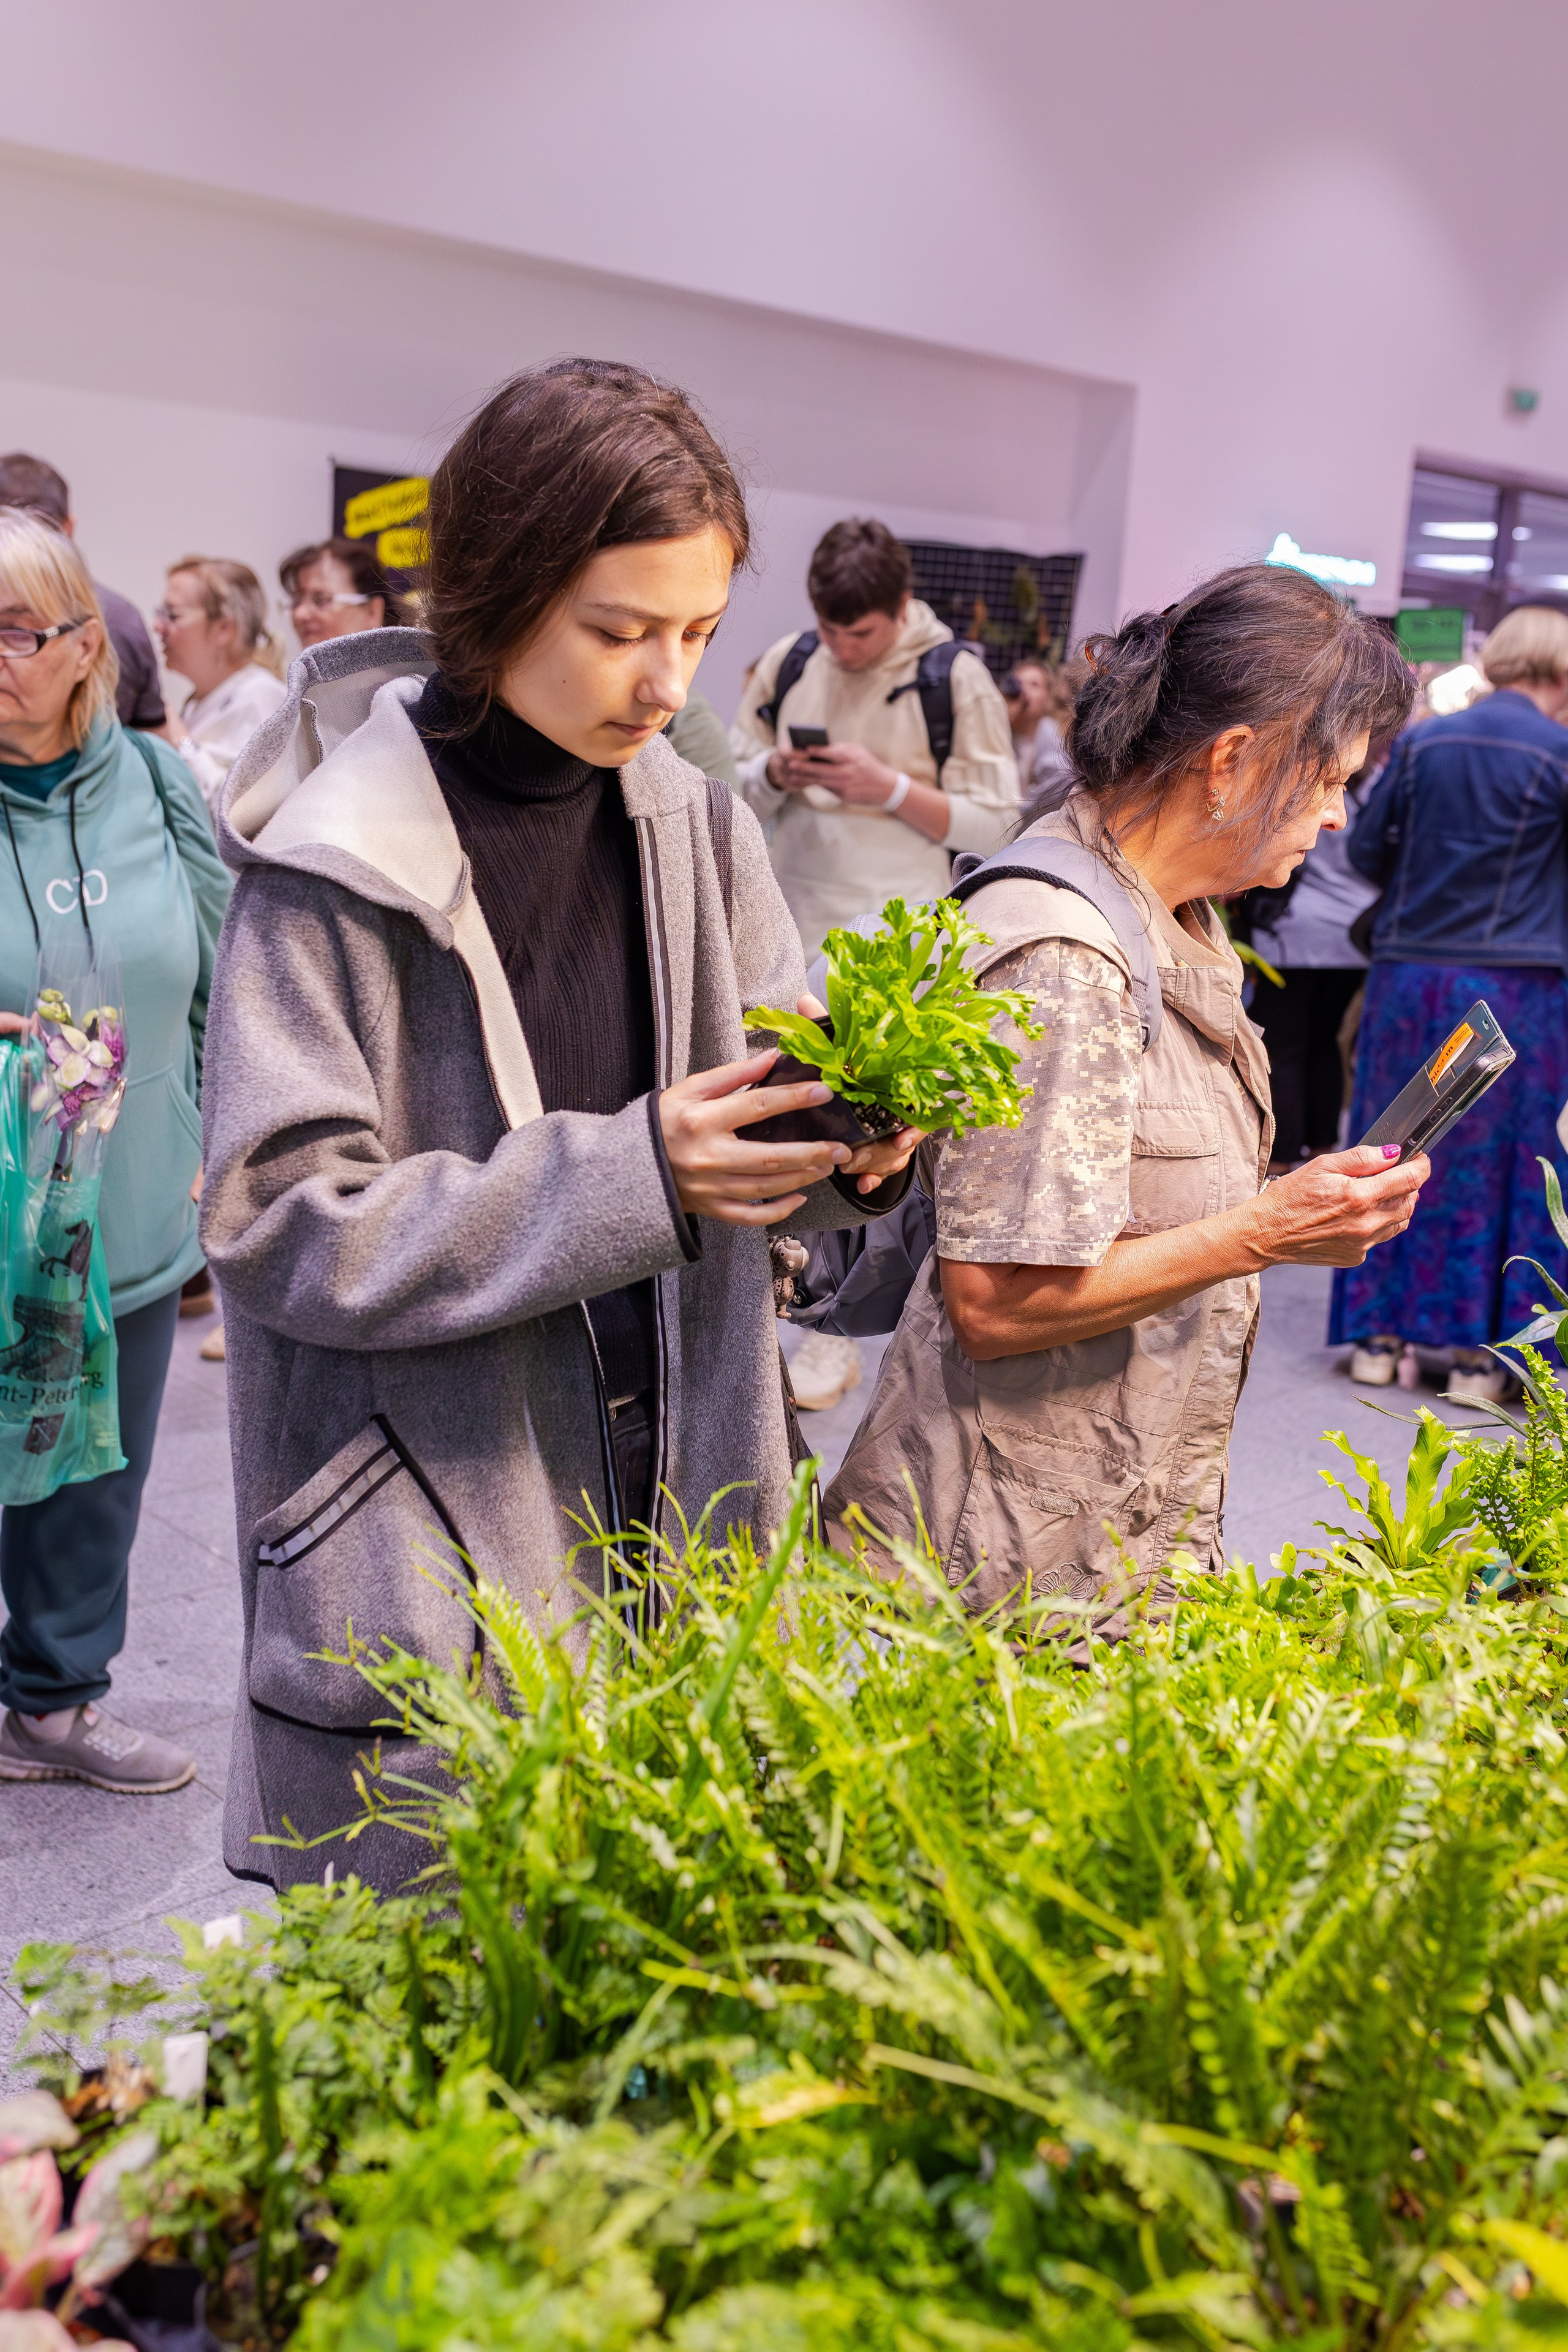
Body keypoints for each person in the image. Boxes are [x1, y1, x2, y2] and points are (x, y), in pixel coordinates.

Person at [198, 358, 918, 1891]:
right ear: (498, 590)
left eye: (699, 634)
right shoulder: (332, 862)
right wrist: (637, 1169)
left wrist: (838, 1157)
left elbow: (751, 1140)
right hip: (440, 1520)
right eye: (619, 630)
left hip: (688, 1499)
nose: (667, 684)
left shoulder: (697, 825)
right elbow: (277, 1221)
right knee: (442, 2034)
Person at [826, 564, 1420, 1624]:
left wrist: (1285, 1204)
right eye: (1331, 780)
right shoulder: (1067, 955)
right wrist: (1268, 1234)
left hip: (1102, 1526)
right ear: (1233, 760)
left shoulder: (1177, 916)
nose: (1337, 820)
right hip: (998, 1569)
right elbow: (998, 1303)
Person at [0, 511, 231, 1791]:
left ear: (87, 646)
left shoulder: (154, 784)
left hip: (130, 1205)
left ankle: (51, 1703)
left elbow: (227, 975)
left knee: (94, 1473)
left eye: (16, 633)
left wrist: (220, 1132)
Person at [1331, 606, 1568, 1401]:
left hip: (1406, 981)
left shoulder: (1425, 741)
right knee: (1497, 1168)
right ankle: (1480, 1361)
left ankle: (1374, 1336)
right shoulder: (1561, 752)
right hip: (1516, 986)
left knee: (1391, 1144)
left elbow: (1366, 852)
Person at [731, 518, 1019, 959]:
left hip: (902, 946)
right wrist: (772, 773)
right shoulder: (789, 660)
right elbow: (726, 800)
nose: (843, 650)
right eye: (829, 631)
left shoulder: (958, 679)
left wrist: (890, 789)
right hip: (781, 935)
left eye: (861, 634)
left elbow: (998, 835)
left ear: (902, 605)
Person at [1240, 739, 1389, 1174]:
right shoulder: (1375, 790)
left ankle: (1283, 1158)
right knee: (1326, 1043)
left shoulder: (1311, 787)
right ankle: (1324, 1148)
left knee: (1283, 1046)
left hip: (1296, 932)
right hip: (1351, 935)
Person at [0, 453, 167, 734]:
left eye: (18, 634)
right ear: (69, 527)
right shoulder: (123, 617)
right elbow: (154, 732)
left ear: (87, 646)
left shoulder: (113, 619)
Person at [156, 557, 288, 816]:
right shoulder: (199, 701)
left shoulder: (261, 696)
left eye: (172, 615)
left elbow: (242, 817)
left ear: (224, 628)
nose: (157, 626)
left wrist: (180, 743)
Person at [279, 535, 407, 649]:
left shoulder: (404, 674)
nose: (299, 614)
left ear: (373, 612)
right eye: (296, 601)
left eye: (321, 600)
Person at [1003, 656, 1074, 817]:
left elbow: (1056, 787)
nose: (1024, 690)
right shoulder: (1003, 731)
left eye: (1034, 685)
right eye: (1019, 683)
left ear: (1047, 697)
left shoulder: (1048, 730)